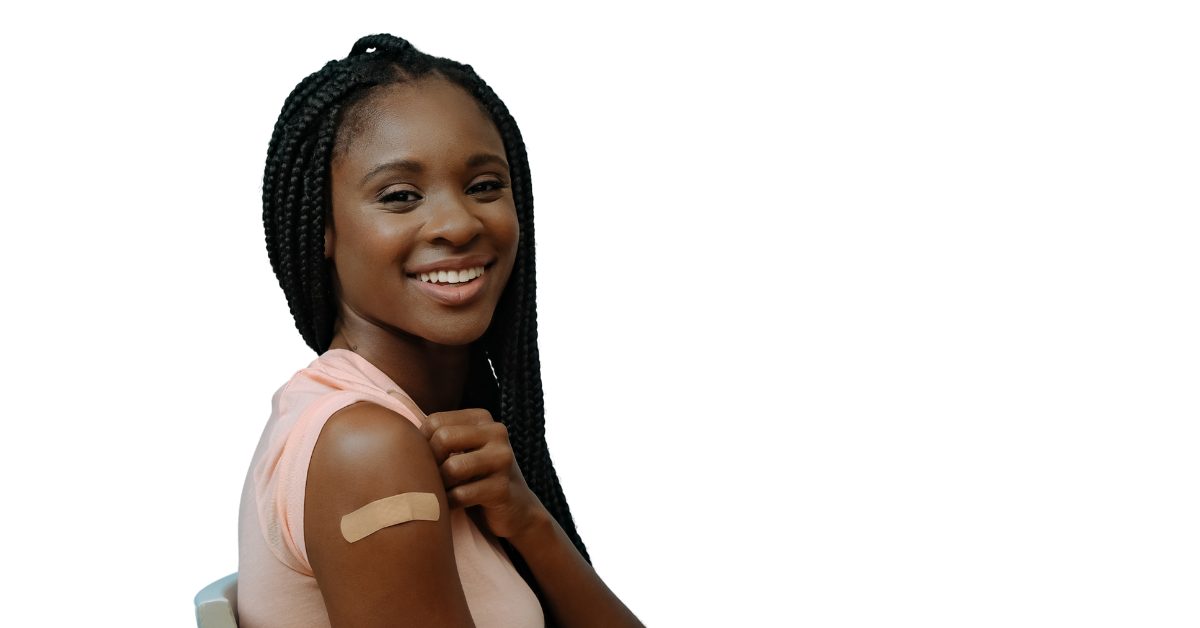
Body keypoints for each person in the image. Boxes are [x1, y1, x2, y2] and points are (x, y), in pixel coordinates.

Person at [237, 34, 644, 628]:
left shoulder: (427, 432)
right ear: (322, 227)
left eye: (484, 186)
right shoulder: (365, 449)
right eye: (399, 196)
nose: (457, 223)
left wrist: (529, 522)